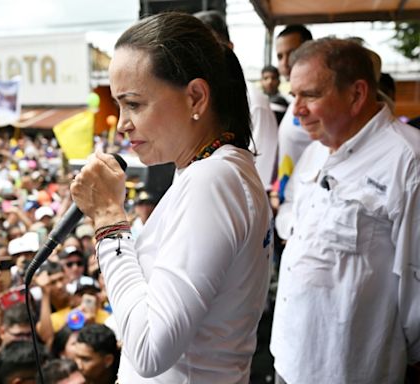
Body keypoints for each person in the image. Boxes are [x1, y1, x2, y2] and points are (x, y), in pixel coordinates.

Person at [71, 12, 272, 383]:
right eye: (119, 105)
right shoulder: (211, 170)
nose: (122, 123)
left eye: (134, 104)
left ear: (195, 96)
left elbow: (149, 350)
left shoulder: (213, 180)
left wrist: (108, 222)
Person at [270, 38, 420, 384]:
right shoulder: (316, 151)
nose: (297, 110)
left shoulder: (406, 161)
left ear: (356, 94)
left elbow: (415, 284)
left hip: (349, 367)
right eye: (294, 96)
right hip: (289, 354)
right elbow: (290, 212)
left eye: (309, 95)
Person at [194, 9, 279, 191]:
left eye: (209, 48)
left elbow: (259, 178)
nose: (200, 59)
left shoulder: (255, 102)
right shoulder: (197, 100)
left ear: (229, 47)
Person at [275, 24, 313, 203]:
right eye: (280, 56)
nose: (285, 62)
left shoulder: (319, 107)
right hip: (287, 205)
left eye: (292, 53)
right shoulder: (293, 105)